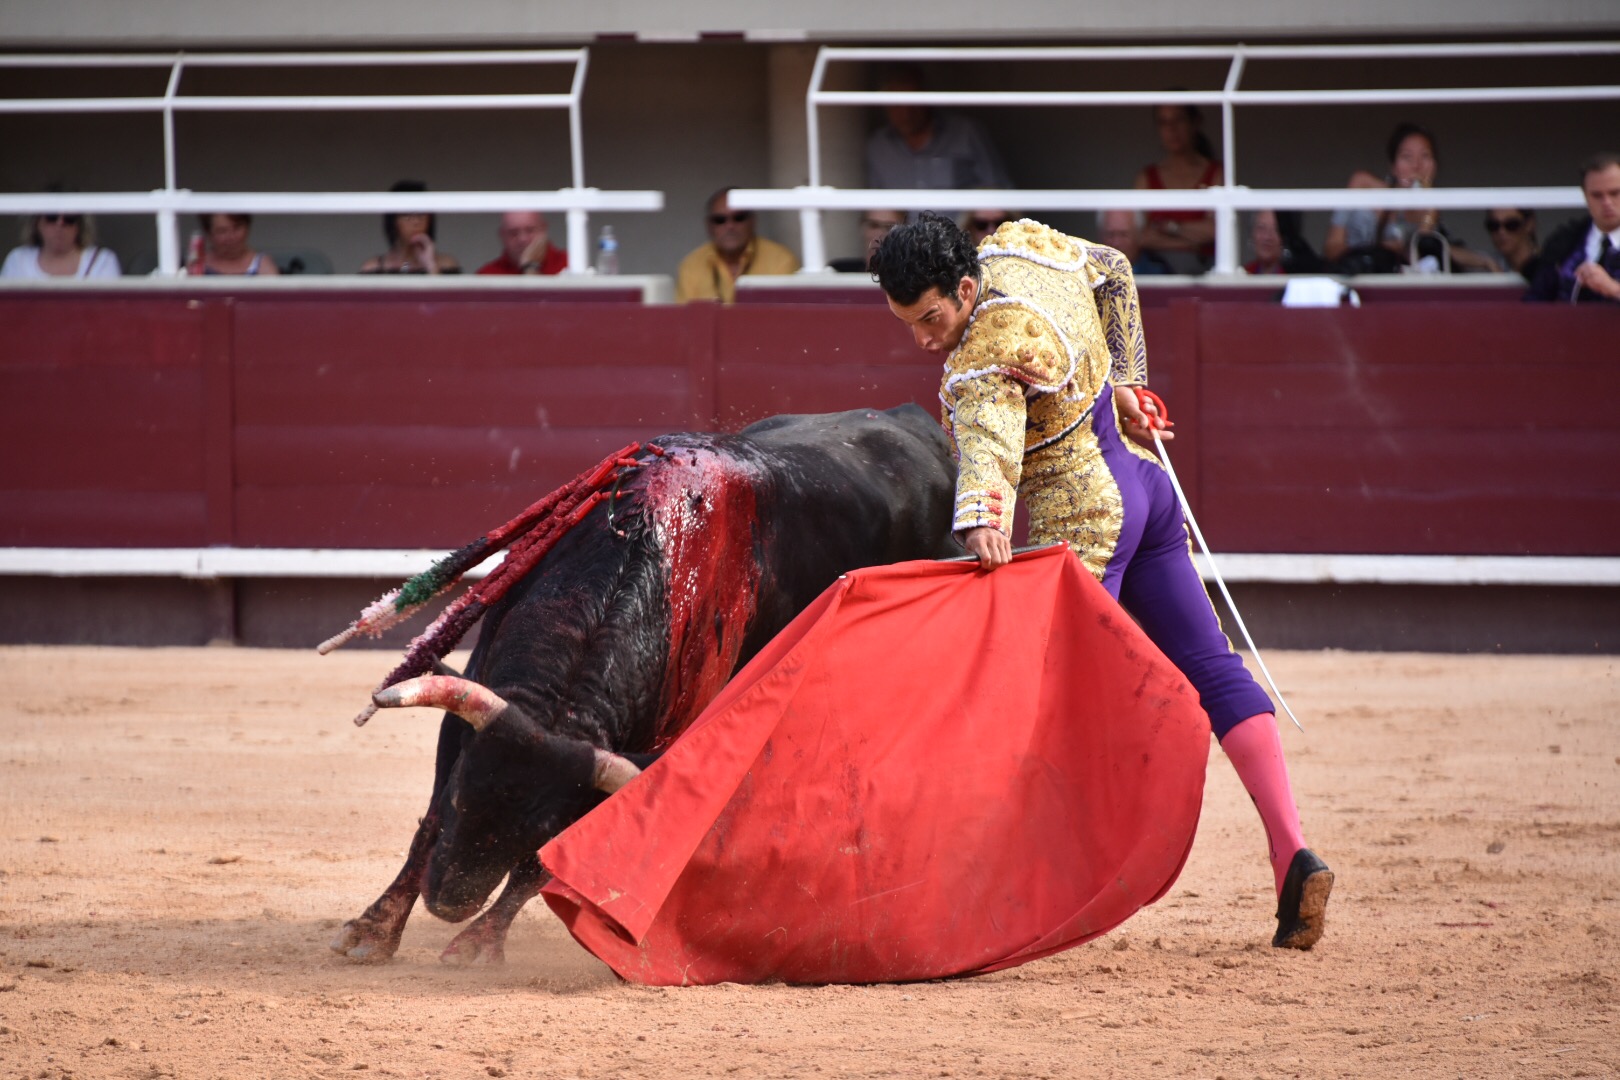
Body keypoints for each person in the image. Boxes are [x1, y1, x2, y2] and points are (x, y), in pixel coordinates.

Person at [869, 213, 1332, 950]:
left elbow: (988, 444)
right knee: (1214, 667)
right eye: (908, 326)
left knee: (1041, 709)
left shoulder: (982, 356)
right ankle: (1290, 850)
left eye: (932, 318)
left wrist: (982, 517)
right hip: (1146, 490)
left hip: (1086, 521)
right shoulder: (1025, 246)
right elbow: (1114, 270)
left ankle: (1007, 894)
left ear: (964, 286)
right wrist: (1124, 383)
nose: (925, 340)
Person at [1323, 123, 1496, 274]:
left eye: (1425, 156)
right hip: (1353, 278)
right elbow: (1332, 248)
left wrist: (1485, 260)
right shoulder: (1363, 184)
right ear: (1394, 166)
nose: (1416, 165)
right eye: (1407, 157)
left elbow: (1425, 254)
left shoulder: (1429, 210)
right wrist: (1378, 251)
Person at [865, 66, 1011, 192]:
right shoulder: (878, 147)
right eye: (897, 105)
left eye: (912, 103)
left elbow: (998, 192)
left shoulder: (966, 133)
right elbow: (876, 209)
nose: (906, 113)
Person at [1134, 102, 1223, 273]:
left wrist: (1170, 227)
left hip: (1205, 271)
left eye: (1179, 120)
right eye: (1164, 122)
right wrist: (1192, 241)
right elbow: (1140, 236)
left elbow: (1216, 230)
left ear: (1195, 122)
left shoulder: (1216, 173)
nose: (1172, 129)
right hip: (1157, 273)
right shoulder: (1146, 178)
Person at [674, 188, 799, 303]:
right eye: (720, 220)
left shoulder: (781, 260)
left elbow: (785, 319)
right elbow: (686, 321)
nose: (730, 226)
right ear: (709, 226)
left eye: (739, 218)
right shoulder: (691, 266)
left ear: (753, 221)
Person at [1526, 152, 1620, 304]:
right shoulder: (1565, 240)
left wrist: (1614, 289)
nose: (1607, 202)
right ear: (1585, 196)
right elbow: (1536, 300)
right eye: (1597, 195)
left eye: (1615, 193)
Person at [359, 180, 460, 275]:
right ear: (394, 221)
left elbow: (447, 293)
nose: (416, 221)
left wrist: (431, 266)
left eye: (421, 214)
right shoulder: (373, 267)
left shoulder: (446, 265)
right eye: (407, 214)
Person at [2, 209, 121, 279]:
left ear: (79, 226)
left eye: (69, 219)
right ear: (37, 223)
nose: (60, 225)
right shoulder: (18, 260)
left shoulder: (102, 261)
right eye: (51, 217)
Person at [185, 213, 279, 276]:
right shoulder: (198, 265)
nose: (231, 237)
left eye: (237, 228)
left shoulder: (263, 265)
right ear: (209, 234)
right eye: (222, 231)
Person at [477, 210, 567, 276]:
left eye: (530, 230)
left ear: (544, 229)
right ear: (502, 236)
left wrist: (531, 266)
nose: (522, 239)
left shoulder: (569, 264)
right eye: (513, 233)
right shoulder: (488, 275)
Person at [1243, 210, 1324, 275]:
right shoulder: (1244, 274)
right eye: (1261, 228)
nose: (1267, 237)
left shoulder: (1294, 275)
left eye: (1276, 229)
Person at [1096, 209, 1172, 276]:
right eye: (1110, 235)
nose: (1116, 243)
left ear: (1139, 236)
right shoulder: (1089, 272)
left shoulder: (1158, 273)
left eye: (1124, 235)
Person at [829, 209, 905, 273]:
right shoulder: (839, 272)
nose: (880, 234)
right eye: (874, 226)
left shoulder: (908, 278)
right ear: (862, 227)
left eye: (889, 227)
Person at [1484, 208, 1541, 283]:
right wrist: (1485, 262)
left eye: (1511, 225)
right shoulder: (1493, 261)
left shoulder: (1547, 263)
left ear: (1529, 225)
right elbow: (1463, 254)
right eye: (1494, 226)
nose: (1501, 232)